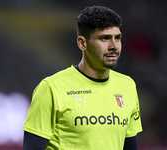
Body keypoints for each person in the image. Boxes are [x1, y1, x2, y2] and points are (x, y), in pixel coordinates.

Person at [23, 6, 142, 150]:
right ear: (82, 43)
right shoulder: (51, 88)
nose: (114, 46)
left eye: (117, 38)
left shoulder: (127, 86)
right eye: (105, 38)